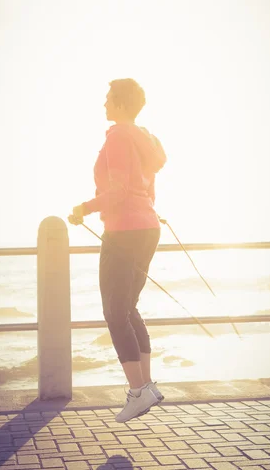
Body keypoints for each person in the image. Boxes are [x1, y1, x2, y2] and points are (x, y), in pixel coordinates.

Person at [69, 78, 167, 422]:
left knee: (115, 312)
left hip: (124, 230)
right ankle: (147, 385)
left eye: (109, 99)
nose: (104, 105)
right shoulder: (145, 139)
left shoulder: (118, 136)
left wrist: (84, 207)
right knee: (128, 307)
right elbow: (146, 189)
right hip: (147, 227)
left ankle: (138, 392)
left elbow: (119, 190)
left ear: (122, 104)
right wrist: (146, 215)